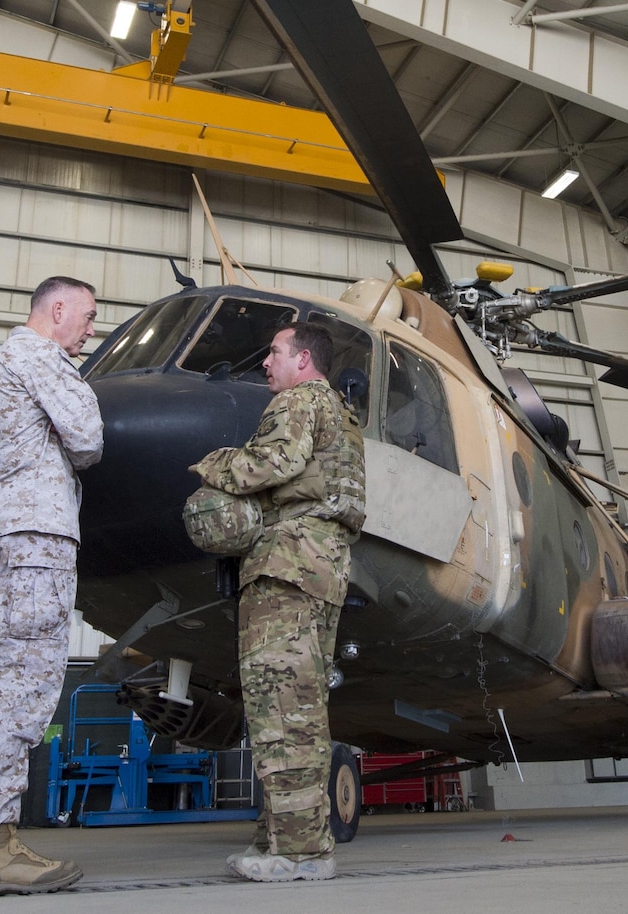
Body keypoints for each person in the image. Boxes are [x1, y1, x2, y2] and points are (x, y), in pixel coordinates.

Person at [0, 276, 104, 897]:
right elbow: (87, 440)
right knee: (22, 678)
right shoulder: (39, 358)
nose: (90, 331)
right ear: (56, 309)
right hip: (36, 537)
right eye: (86, 316)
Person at [190, 321, 366, 883]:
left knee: (280, 713)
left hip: (286, 568)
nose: (265, 363)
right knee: (300, 711)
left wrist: (210, 464)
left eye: (273, 352)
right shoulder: (339, 412)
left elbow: (270, 465)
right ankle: (285, 840)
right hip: (322, 568)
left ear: (304, 360)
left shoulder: (298, 401)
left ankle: (300, 853)